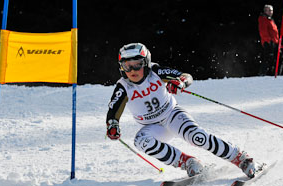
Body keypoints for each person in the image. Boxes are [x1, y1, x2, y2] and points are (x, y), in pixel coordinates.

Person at [106, 42, 258, 178]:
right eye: (127, 66)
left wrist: (180, 82)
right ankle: (189, 163)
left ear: (146, 63)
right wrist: (112, 125)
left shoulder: (156, 72)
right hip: (153, 127)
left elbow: (186, 76)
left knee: (197, 137)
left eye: (137, 64)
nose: (132, 70)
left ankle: (240, 158)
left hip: (172, 115)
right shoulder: (123, 86)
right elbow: (114, 109)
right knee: (141, 141)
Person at [258, 4, 280, 76]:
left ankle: (274, 74)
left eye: (272, 10)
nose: (271, 12)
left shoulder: (270, 19)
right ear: (265, 11)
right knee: (268, 58)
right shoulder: (263, 19)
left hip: (274, 42)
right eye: (269, 10)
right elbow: (263, 31)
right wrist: (268, 41)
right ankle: (263, 74)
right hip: (268, 42)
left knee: (277, 58)